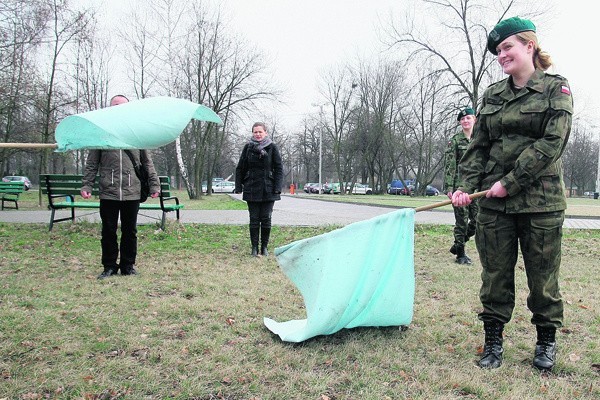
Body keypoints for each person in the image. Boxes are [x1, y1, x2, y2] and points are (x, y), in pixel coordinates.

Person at [451, 17, 573, 371]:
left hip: (541, 204)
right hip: (493, 205)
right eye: (498, 51)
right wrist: (464, 187)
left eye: (508, 47)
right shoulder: (492, 95)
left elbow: (552, 143)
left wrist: (511, 181)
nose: (501, 55)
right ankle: (493, 343)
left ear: (529, 46)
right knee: (495, 277)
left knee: (543, 278)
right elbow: (478, 147)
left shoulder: (556, 88)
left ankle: (545, 343)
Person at [81, 94, 161, 279]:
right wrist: (87, 184)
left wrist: (154, 185)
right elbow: (92, 163)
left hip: (132, 191)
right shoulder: (101, 132)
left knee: (130, 231)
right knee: (108, 231)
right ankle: (109, 266)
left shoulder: (136, 133)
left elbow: (147, 163)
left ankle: (128, 266)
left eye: (121, 105)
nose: (118, 108)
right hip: (108, 192)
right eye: (114, 105)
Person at [235, 122, 283, 257]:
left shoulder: (272, 147)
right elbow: (240, 168)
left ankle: (264, 247)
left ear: (265, 133)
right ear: (252, 133)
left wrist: (277, 187)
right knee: (254, 219)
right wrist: (238, 186)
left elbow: (279, 168)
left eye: (260, 132)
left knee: (266, 218)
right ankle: (254, 248)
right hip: (251, 188)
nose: (257, 134)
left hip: (269, 188)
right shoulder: (247, 148)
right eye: (255, 132)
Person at [443, 107, 479, 264]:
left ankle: (459, 243)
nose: (465, 121)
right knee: (462, 221)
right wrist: (449, 188)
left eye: (468, 118)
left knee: (478, 220)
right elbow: (450, 165)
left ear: (474, 120)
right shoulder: (456, 140)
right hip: (459, 187)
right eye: (462, 119)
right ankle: (461, 254)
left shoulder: (480, 138)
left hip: (477, 187)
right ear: (460, 122)